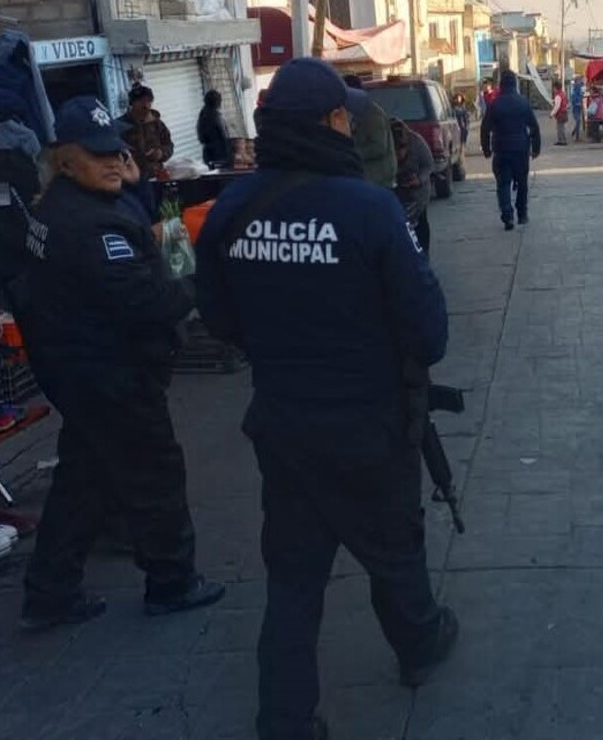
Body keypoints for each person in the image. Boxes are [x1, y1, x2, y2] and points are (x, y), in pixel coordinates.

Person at [193, 58, 456, 740]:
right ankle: (421, 646)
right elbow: (427, 333)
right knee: (393, 551)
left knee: (293, 579)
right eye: (344, 114)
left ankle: (283, 718)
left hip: (283, 422)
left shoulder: (232, 207)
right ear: (333, 123)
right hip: (369, 423)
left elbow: (217, 321)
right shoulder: (368, 208)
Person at [16, 96, 224, 629]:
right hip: (113, 376)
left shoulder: (57, 205)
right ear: (64, 159)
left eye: (117, 152)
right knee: (154, 476)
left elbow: (126, 220)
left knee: (84, 479)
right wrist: (206, 282)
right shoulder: (93, 230)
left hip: (78, 371)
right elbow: (151, 303)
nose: (113, 162)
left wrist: (133, 184)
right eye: (98, 154)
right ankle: (172, 582)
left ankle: (50, 592)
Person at [480, 71, 541, 231]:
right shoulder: (523, 102)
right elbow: (534, 126)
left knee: (503, 184)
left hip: (501, 150)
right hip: (520, 150)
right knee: (522, 183)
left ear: (501, 85)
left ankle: (507, 216)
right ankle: (522, 214)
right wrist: (536, 148)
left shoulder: (495, 104)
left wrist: (486, 149)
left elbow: (485, 128)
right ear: (515, 84)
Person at [344, 74, 397, 189]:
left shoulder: (371, 113)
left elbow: (378, 147)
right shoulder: (355, 112)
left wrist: (352, 154)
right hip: (365, 177)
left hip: (378, 179)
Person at [392, 118, 435, 254]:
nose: (399, 155)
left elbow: (429, 165)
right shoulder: (384, 147)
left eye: (401, 149)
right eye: (395, 151)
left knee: (421, 221)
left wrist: (419, 179)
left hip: (418, 189)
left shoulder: (417, 142)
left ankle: (423, 252)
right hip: (396, 187)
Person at [120, 84, 174, 179]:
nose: (145, 105)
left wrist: (160, 153)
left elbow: (169, 145)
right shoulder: (121, 125)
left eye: (148, 101)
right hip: (131, 178)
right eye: (141, 101)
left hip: (156, 176)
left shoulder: (157, 124)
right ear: (132, 103)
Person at [197, 89, 232, 169]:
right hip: (219, 151)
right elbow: (224, 134)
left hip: (207, 151)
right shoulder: (216, 115)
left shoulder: (202, 114)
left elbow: (200, 136)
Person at [550, 81, 569, 146]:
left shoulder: (558, 95)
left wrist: (551, 114)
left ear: (556, 88)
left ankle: (562, 141)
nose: (553, 89)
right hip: (564, 112)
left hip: (560, 114)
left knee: (560, 128)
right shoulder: (563, 93)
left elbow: (557, 107)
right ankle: (562, 140)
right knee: (562, 127)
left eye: (554, 88)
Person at [570, 77, 585, 142]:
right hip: (576, 108)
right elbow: (574, 99)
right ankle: (576, 136)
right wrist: (578, 103)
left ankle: (575, 133)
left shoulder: (578, 88)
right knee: (578, 121)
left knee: (578, 122)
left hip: (578, 108)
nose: (580, 82)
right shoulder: (575, 90)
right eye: (578, 81)